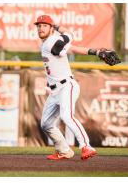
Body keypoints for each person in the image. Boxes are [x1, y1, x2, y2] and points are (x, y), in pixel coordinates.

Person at [34, 14, 120, 161]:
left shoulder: (51, 42)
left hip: (67, 86)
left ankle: (86, 146)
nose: (40, 28)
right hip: (55, 91)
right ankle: (64, 151)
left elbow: (68, 38)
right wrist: (97, 52)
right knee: (46, 124)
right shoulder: (51, 41)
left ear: (50, 29)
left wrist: (63, 33)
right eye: (39, 26)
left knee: (67, 116)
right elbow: (72, 45)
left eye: (44, 26)